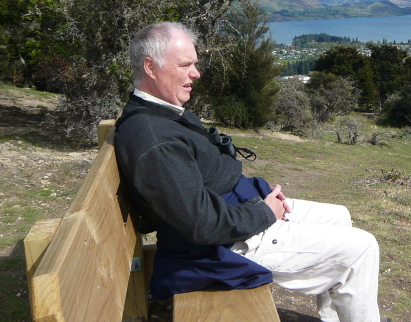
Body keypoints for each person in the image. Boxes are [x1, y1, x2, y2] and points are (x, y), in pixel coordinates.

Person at [113, 21, 383, 322]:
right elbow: (200, 224)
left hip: (236, 211)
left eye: (195, 64)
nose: (196, 73)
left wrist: (261, 200)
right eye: (185, 65)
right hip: (222, 245)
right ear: (150, 67)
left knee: (340, 216)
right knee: (362, 249)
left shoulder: (161, 114)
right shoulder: (153, 139)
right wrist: (265, 212)